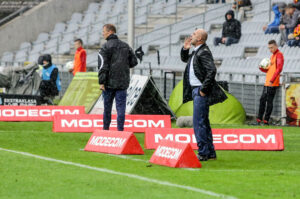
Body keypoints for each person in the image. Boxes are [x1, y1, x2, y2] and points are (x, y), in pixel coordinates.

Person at [181, 29, 227, 161]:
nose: (191, 35)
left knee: (198, 123)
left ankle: (203, 152)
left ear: (200, 38)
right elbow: (185, 59)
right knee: (203, 122)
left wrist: (203, 89)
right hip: (196, 89)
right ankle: (210, 152)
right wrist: (185, 48)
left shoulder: (203, 52)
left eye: (194, 34)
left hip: (200, 90)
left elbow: (212, 70)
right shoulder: (197, 51)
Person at [98, 24, 138, 131]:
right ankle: (120, 131)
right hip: (122, 82)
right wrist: (123, 66)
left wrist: (101, 82)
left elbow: (102, 66)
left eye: (104, 31)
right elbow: (134, 62)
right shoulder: (126, 46)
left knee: (107, 108)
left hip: (108, 83)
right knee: (121, 109)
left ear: (110, 32)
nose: (103, 33)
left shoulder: (105, 47)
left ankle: (105, 130)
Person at [257, 40, 284, 125]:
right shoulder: (272, 56)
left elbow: (279, 69)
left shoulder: (279, 55)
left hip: (272, 83)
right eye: (269, 48)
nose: (270, 49)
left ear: (276, 46)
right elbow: (269, 70)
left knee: (269, 101)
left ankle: (266, 120)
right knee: (262, 100)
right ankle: (259, 119)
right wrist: (262, 68)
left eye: (272, 47)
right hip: (268, 82)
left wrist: (272, 80)